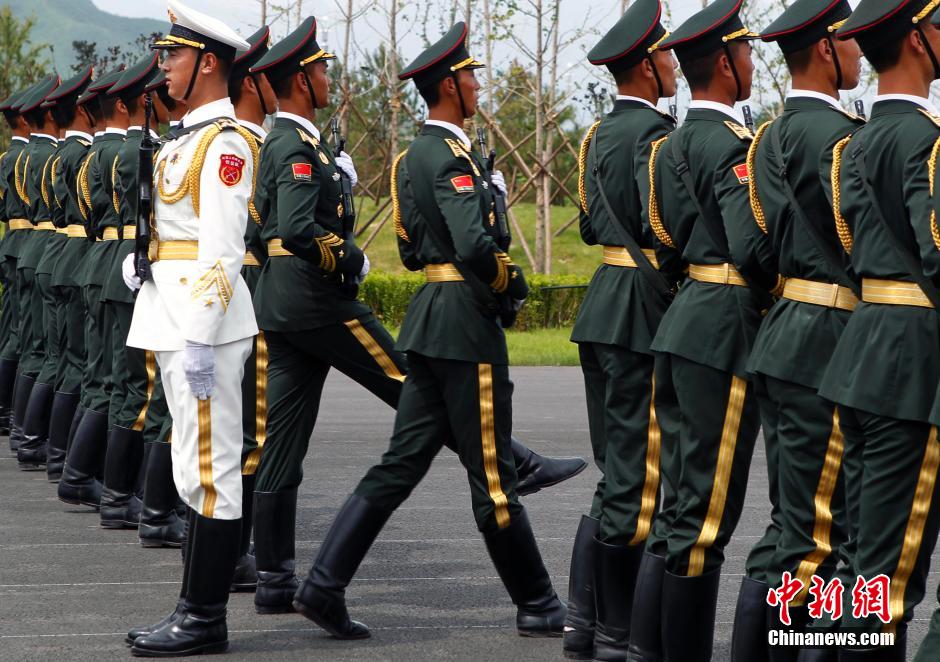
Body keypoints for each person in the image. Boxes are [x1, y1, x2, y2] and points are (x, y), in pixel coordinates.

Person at [246, 16, 585, 615]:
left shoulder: (406, 157)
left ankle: (317, 583)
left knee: (396, 461)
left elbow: (406, 246)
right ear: (450, 87)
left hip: (405, 312)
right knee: (487, 472)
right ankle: (539, 601)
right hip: (400, 313)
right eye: (472, 77)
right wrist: (511, 278)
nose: (479, 86)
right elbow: (474, 246)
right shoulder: (430, 154)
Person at [636, 1, 782, 659]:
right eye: (747, 52)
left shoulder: (667, 146)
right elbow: (755, 249)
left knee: (676, 515)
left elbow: (661, 239)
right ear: (724, 62)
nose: (753, 62)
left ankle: (647, 648)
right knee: (703, 523)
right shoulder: (732, 149)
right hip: (723, 334)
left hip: (681, 323)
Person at [123, 0, 258, 655]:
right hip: (172, 319)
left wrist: (202, 334)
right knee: (191, 465)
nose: (163, 67)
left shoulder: (225, 143)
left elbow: (223, 250)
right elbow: (179, 235)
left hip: (200, 327)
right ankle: (194, 611)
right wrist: (142, 258)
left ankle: (203, 619)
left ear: (208, 63)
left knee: (210, 467)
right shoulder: (186, 137)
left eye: (173, 55)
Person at [739, 1, 864, 659]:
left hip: (782, 333)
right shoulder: (846, 136)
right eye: (848, 42)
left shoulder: (767, 137)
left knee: (792, 526)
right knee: (828, 535)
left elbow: (752, 251)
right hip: (831, 342)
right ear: (825, 48)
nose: (857, 54)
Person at [817, 1, 940, 657]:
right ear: (918, 41)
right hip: (911, 369)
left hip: (862, 352)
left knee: (865, 566)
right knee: (889, 582)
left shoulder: (855, 141)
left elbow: (846, 243)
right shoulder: (927, 140)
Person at [563, 1, 680, 659]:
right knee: (639, 486)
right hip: (642, 311)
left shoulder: (596, 135)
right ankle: (616, 633)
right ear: (645, 64)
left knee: (617, 474)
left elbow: (587, 226)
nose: (673, 67)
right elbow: (665, 227)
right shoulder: (657, 138)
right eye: (666, 57)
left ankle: (584, 624)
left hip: (602, 301)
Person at [98, 53, 164, 530]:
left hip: (105, 261)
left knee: (119, 382)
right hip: (135, 266)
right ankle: (123, 497)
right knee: (139, 390)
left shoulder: (105, 152)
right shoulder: (139, 149)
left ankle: (108, 488)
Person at [57, 67, 127, 509]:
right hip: (115, 263)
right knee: (127, 384)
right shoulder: (126, 151)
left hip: (88, 259)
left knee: (89, 371)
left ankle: (69, 465)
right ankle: (116, 488)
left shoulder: (84, 155)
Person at [227, 24, 276, 591]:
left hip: (241, 287)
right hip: (254, 289)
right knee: (253, 427)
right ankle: (238, 552)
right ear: (256, 83)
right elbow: (264, 226)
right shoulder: (248, 146)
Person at [41, 66, 95, 482]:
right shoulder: (83, 154)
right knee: (79, 364)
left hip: (57, 252)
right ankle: (62, 460)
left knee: (64, 360)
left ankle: (50, 451)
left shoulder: (62, 154)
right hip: (80, 255)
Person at [13, 74, 61, 470]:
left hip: (24, 245)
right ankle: (27, 434)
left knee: (25, 340)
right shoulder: (53, 157)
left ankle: (18, 427)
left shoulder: (17, 158)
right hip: (51, 246)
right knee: (48, 351)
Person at [0, 83, 40, 449]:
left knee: (16, 328)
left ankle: (7, 411)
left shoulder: (7, 159)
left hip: (14, 244)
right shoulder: (33, 157)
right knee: (23, 333)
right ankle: (10, 414)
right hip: (33, 243)